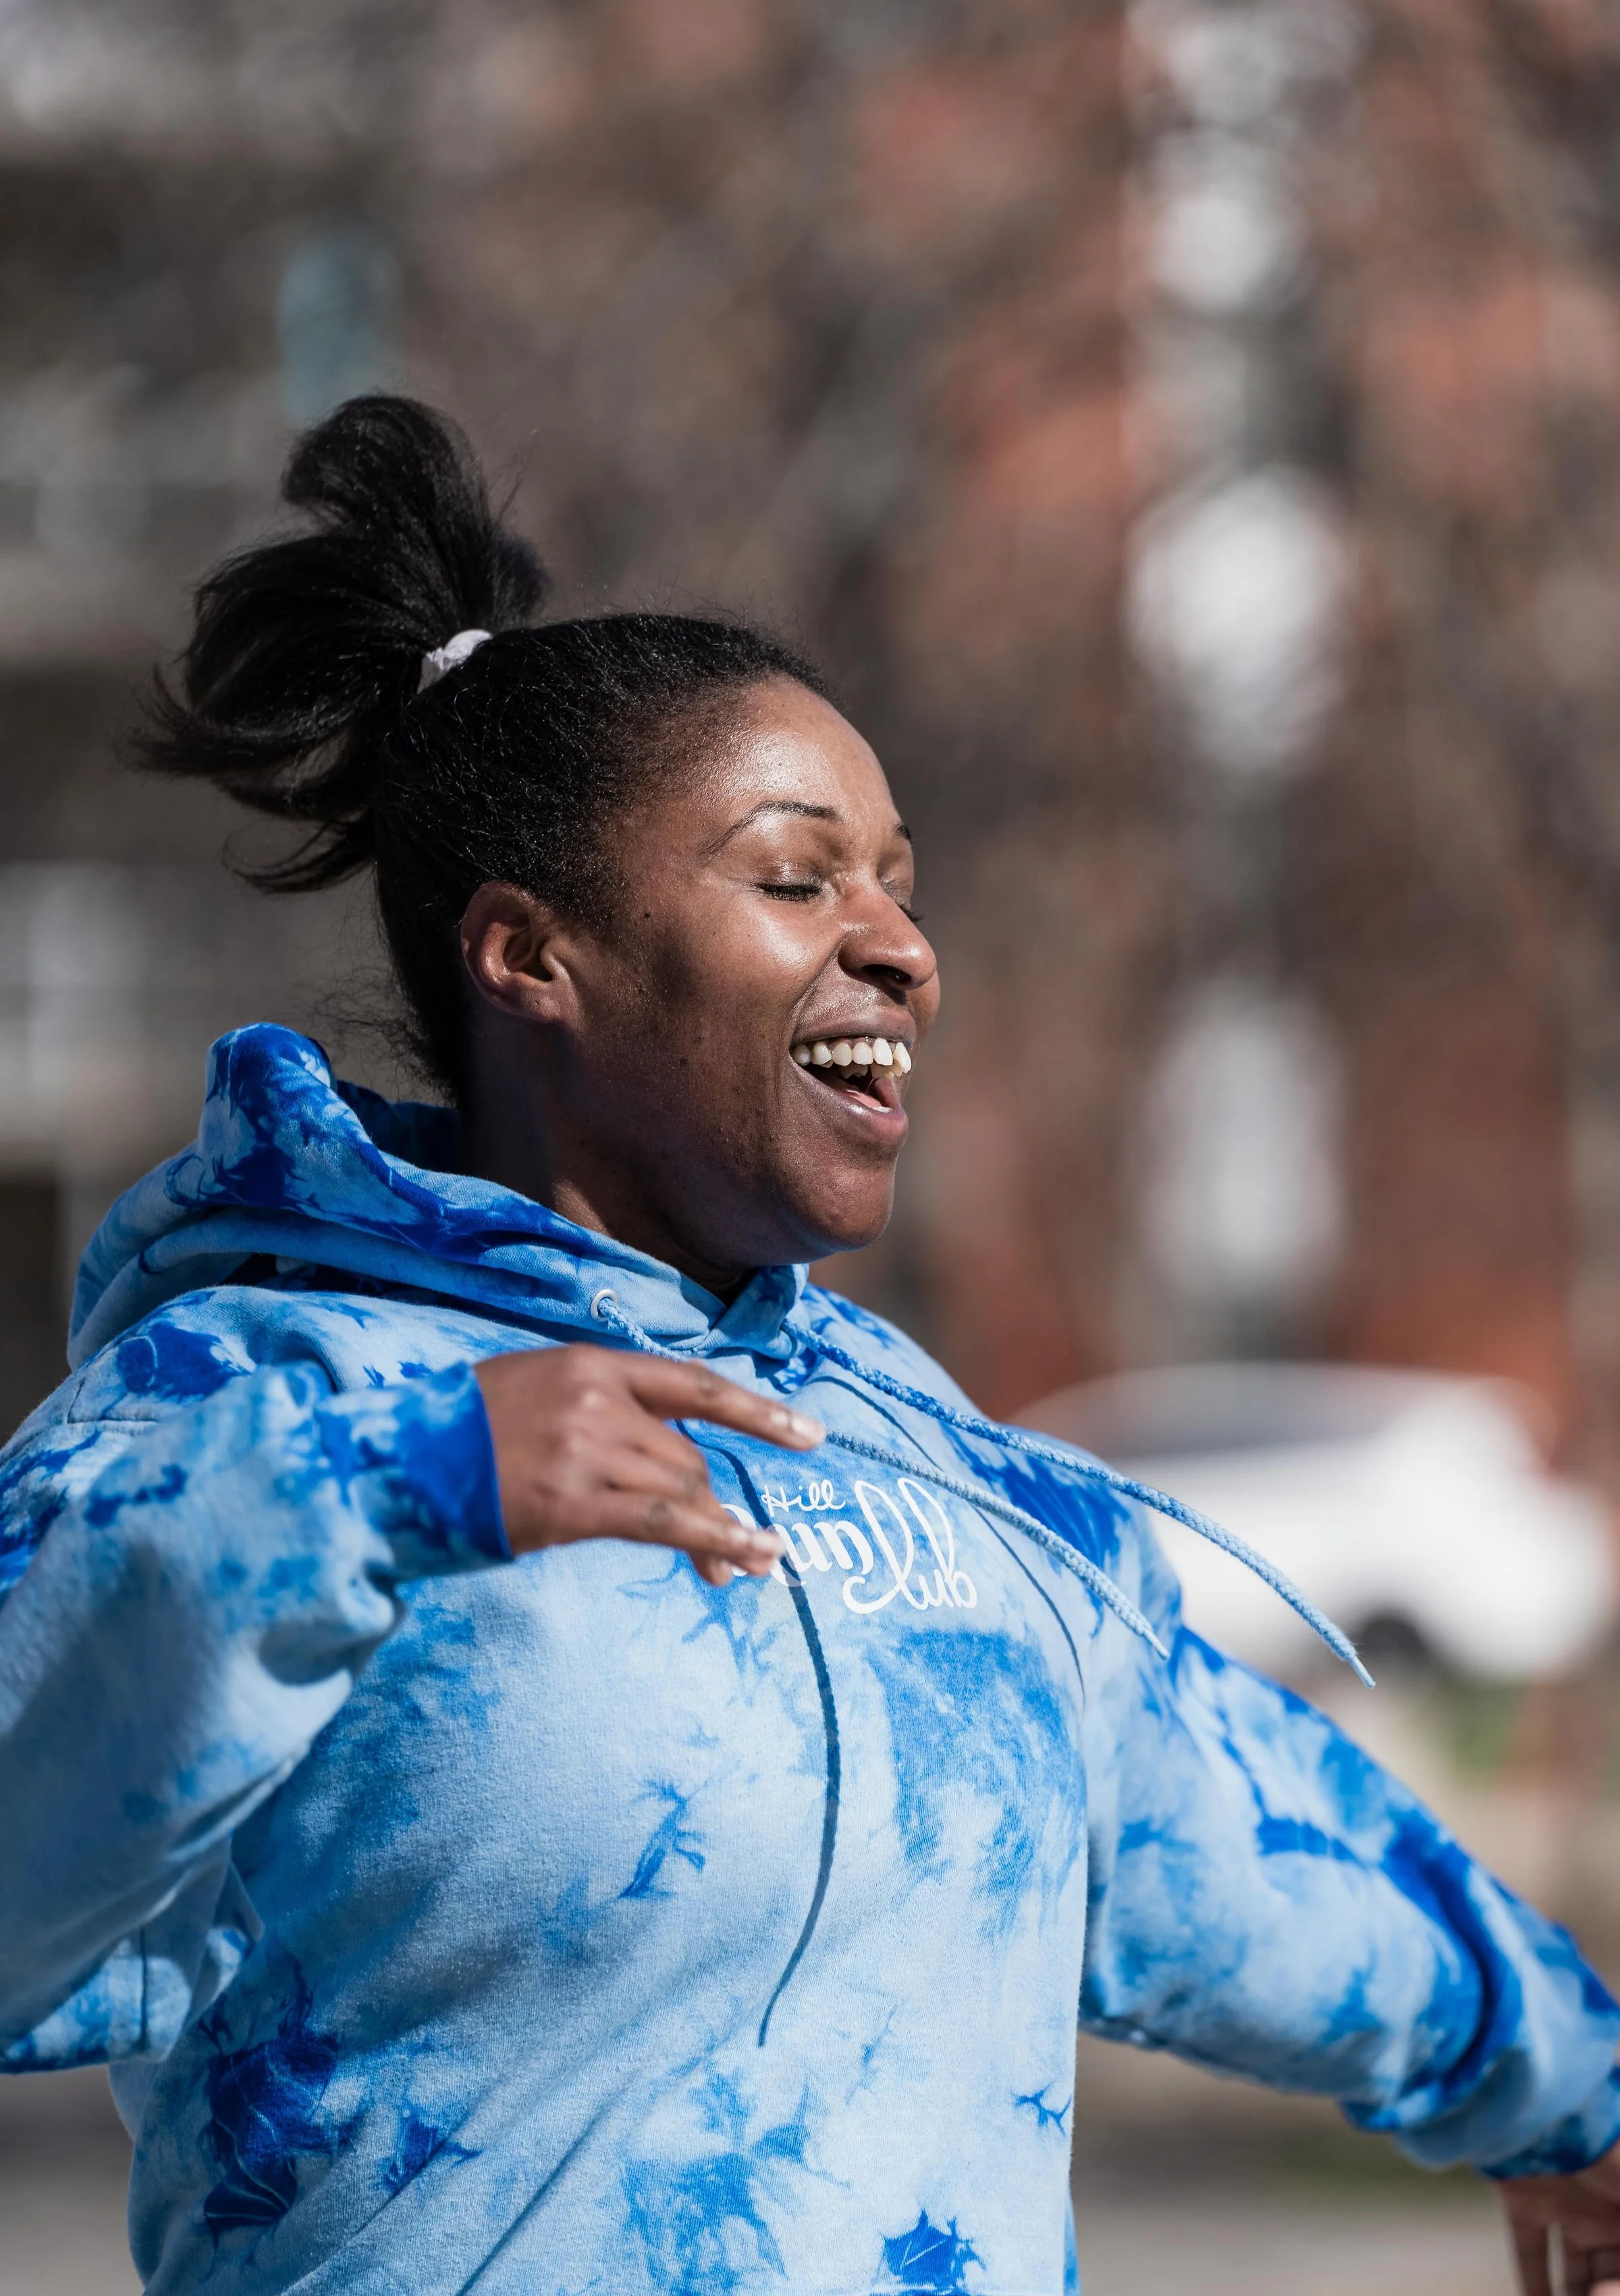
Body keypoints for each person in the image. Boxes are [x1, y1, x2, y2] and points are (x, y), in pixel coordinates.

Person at [1, 397, 1617, 2296]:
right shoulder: (257, 1398)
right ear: (530, 957)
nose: (899, 946)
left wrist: (1574, 2090)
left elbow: (1207, 1819)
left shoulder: (906, 1441)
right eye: (797, 879)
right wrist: (388, 1490)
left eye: (898, 882)